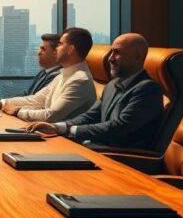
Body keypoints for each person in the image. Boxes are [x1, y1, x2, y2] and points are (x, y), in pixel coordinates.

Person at [27, 33, 164, 150]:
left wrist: (69, 130)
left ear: (137, 57)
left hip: (122, 157)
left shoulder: (148, 90)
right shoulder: (112, 85)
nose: (110, 58)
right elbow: (90, 116)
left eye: (117, 52)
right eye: (111, 52)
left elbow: (118, 128)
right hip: (95, 148)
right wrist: (57, 127)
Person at [0, 27, 97, 123]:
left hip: (65, 142)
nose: (57, 49)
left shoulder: (80, 80)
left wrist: (17, 111)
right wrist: (1, 103)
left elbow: (50, 115)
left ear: (70, 49)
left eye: (60, 44)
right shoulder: (63, 75)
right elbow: (36, 100)